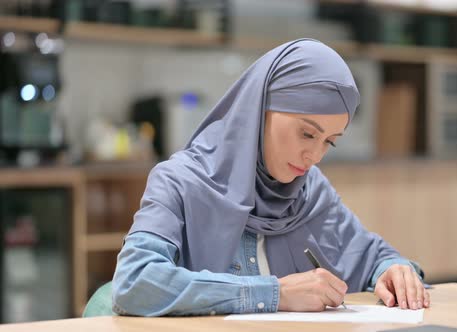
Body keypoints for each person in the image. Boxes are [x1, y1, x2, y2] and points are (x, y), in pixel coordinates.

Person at [111, 38, 429, 316]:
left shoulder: (311, 190)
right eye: (307, 133)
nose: (315, 156)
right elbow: (135, 281)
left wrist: (393, 270)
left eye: (329, 141)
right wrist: (275, 294)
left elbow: (372, 254)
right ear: (259, 110)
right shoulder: (179, 182)